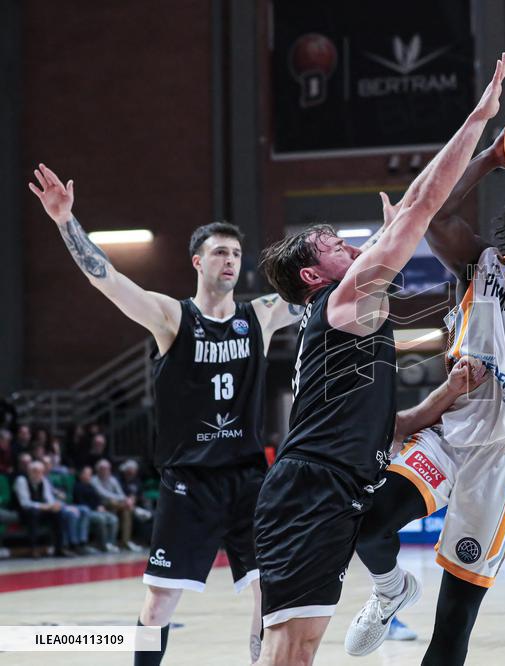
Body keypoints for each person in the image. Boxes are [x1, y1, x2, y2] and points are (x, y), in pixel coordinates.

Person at [251, 52, 505, 666]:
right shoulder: (342, 303)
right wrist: (479, 118)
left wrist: (445, 398)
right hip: (310, 491)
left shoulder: (353, 327)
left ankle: (390, 590)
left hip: (335, 488)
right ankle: (390, 589)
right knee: (289, 651)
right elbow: (423, 202)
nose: (356, 246)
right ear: (315, 274)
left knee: (297, 649)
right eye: (338, 246)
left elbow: (386, 429)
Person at [345, 89, 505, 666]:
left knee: (452, 630)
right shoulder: (478, 264)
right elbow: (434, 212)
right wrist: (490, 157)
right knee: (367, 526)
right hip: (446, 434)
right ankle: (390, 591)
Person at [29, 164, 305, 665]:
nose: (230, 259)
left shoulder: (259, 314)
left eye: (237, 252)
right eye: (220, 251)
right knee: (158, 605)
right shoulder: (172, 317)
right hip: (189, 482)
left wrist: (385, 243)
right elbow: (107, 279)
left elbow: (323, 291)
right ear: (197, 261)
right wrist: (65, 221)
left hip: (247, 478)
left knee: (272, 596)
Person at [14, 460, 75, 557]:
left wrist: (53, 506)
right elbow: (25, 503)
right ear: (29, 471)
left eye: (40, 472)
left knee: (58, 513)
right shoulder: (21, 480)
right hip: (24, 511)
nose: (37, 474)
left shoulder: (44, 480)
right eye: (35, 471)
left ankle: (59, 549)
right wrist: (45, 506)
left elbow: (49, 498)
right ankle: (33, 549)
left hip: (41, 509)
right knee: (33, 513)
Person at [93, 459, 142, 552]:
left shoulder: (112, 479)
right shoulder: (94, 480)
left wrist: (126, 500)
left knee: (126, 512)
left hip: (116, 504)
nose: (105, 471)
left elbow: (120, 493)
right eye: (103, 469)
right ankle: (136, 510)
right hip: (100, 504)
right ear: (98, 470)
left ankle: (126, 542)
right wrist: (122, 499)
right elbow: (103, 494)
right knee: (112, 502)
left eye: (107, 469)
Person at [75, 465, 120, 552]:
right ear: (81, 475)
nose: (89, 476)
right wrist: (96, 508)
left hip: (97, 510)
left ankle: (111, 543)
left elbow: (97, 499)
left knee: (113, 519)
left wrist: (100, 506)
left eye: (90, 474)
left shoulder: (91, 486)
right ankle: (103, 545)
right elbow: (80, 502)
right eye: (87, 474)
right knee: (101, 519)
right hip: (88, 512)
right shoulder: (77, 487)